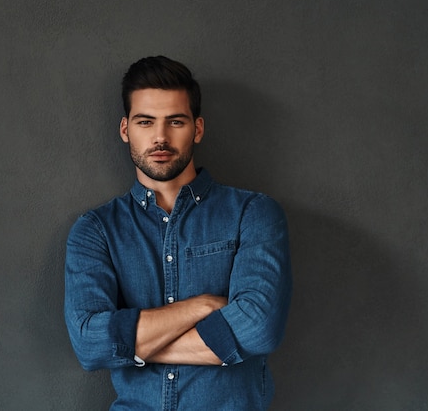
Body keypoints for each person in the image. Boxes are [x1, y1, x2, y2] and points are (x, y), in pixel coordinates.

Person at [64, 56, 292, 410]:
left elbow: (258, 327)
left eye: (176, 121)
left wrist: (132, 347)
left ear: (197, 129)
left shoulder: (253, 213)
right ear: (125, 129)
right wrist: (201, 307)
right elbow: (89, 345)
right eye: (145, 121)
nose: (160, 136)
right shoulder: (96, 231)